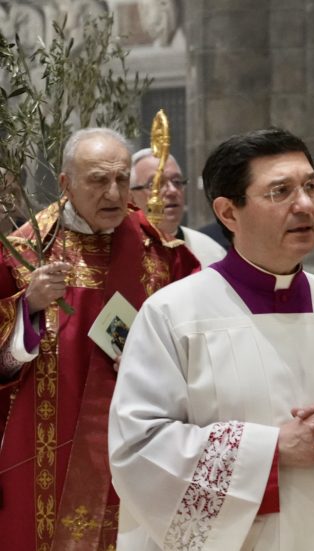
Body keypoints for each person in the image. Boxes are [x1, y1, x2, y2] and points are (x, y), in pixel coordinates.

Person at [108, 128, 314, 550]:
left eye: (311, 187)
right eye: (280, 191)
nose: (304, 204)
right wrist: (270, 448)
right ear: (228, 213)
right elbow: (139, 448)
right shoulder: (174, 315)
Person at [0, 128, 199, 550]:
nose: (114, 193)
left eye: (122, 179)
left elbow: (199, 342)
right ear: (65, 183)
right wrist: (28, 307)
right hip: (45, 450)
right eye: (97, 180)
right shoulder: (24, 254)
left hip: (141, 441)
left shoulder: (162, 254)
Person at [130, 148, 227, 266]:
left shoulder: (212, 252)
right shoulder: (117, 252)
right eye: (156, 184)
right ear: (131, 198)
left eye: (177, 181)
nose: (172, 191)